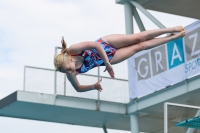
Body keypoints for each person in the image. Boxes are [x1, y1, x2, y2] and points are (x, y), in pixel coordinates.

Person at [54, 26, 186, 92]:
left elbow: (96, 45)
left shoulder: (73, 50)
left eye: (68, 69)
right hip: (109, 60)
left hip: (106, 44)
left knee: (138, 38)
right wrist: (93, 86)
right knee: (140, 47)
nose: (69, 72)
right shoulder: (71, 74)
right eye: (66, 73)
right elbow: (78, 88)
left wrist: (107, 63)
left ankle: (170, 29)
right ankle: (171, 38)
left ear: (69, 60)